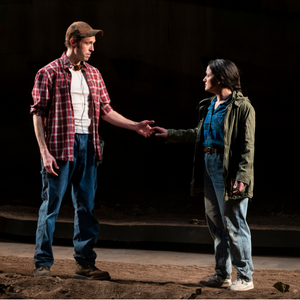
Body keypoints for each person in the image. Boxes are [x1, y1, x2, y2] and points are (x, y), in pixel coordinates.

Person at [30, 21, 154, 280]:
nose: (92, 49)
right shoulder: (49, 72)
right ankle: (42, 264)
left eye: (93, 44)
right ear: (73, 42)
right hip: (59, 147)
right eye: (88, 43)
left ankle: (85, 264)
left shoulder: (94, 73)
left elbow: (105, 110)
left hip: (89, 145)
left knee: (86, 207)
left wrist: (135, 126)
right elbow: (38, 113)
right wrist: (44, 152)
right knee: (51, 206)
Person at [154, 59, 255, 291]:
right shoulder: (210, 104)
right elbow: (198, 134)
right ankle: (222, 275)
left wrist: (243, 176)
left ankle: (245, 277)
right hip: (209, 164)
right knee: (216, 224)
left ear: (220, 78)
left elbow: (248, 147)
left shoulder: (243, 108)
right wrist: (170, 133)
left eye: (207, 75)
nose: (203, 79)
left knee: (235, 223)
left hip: (228, 169)